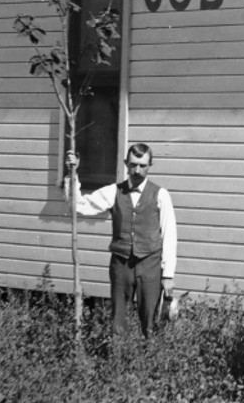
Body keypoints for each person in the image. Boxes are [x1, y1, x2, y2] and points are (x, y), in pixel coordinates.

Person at [65, 143, 176, 336]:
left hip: (150, 264)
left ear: (150, 166)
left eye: (142, 165)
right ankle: (119, 353)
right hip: (121, 263)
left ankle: (150, 354)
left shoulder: (161, 195)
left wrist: (168, 275)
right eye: (133, 165)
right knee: (118, 318)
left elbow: (169, 235)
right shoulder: (113, 191)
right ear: (126, 164)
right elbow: (78, 205)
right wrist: (72, 174)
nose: (137, 170)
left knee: (150, 319)